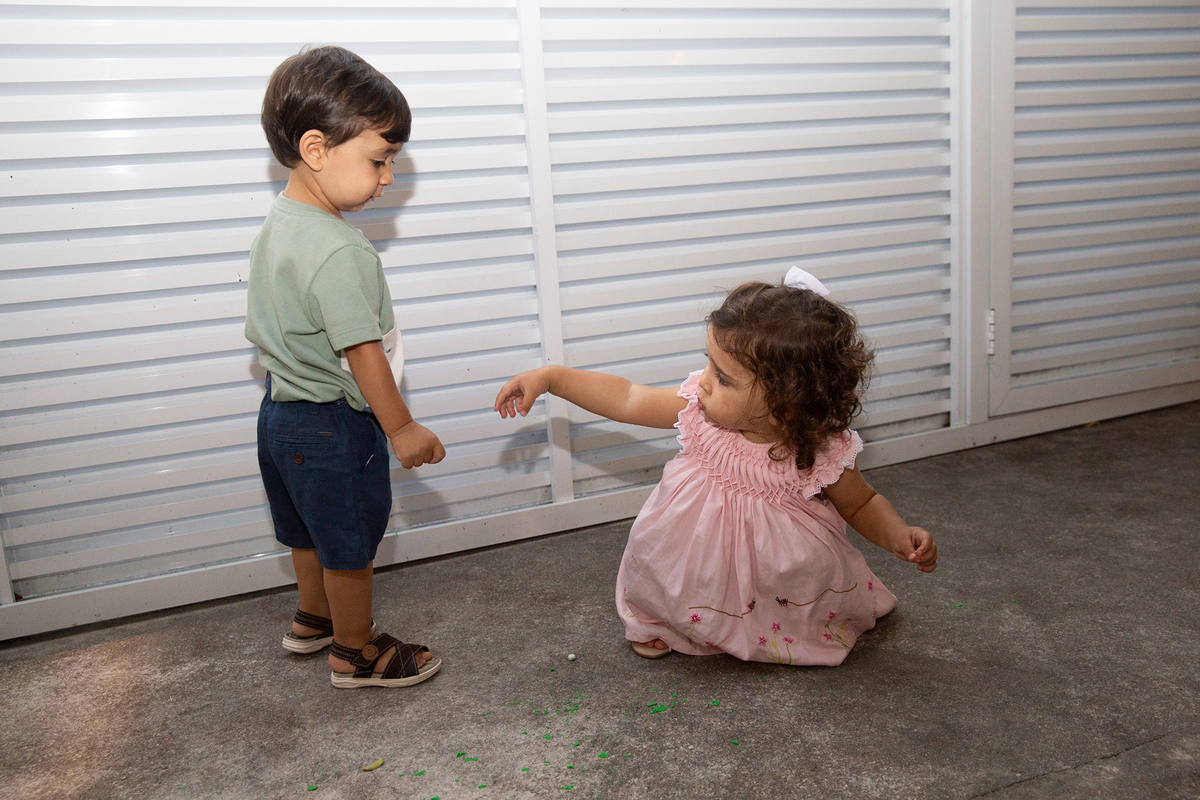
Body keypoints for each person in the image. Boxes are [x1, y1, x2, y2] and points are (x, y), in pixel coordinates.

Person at [494, 268, 937, 664]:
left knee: (792, 590)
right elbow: (628, 397)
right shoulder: (697, 407)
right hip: (692, 548)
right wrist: (552, 378)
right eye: (710, 362)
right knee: (671, 573)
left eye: (723, 377)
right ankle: (667, 621)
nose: (704, 380)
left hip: (776, 570)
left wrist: (897, 534)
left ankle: (767, 626)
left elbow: (861, 505)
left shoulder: (817, 450)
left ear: (784, 408)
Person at [245, 45, 443, 688]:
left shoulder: (281, 221)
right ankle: (356, 651)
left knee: (309, 530)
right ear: (316, 148)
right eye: (380, 160)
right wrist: (402, 429)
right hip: (332, 425)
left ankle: (313, 618)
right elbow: (362, 353)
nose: (387, 178)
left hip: (280, 416)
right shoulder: (337, 251)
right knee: (351, 546)